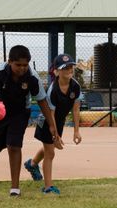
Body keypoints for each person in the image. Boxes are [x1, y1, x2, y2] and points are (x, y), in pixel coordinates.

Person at [0, 45, 47, 197]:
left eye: (25, 65)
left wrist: (52, 124)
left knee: (13, 145)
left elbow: (42, 100)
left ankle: (15, 188)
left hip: (20, 112)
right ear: (9, 61)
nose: (22, 68)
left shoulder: (32, 77)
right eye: (18, 65)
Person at [25, 53, 83, 195]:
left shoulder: (75, 86)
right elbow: (50, 115)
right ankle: (48, 187)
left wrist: (76, 131)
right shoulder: (53, 90)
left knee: (48, 148)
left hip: (59, 121)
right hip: (47, 121)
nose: (69, 70)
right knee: (50, 153)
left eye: (71, 67)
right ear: (56, 71)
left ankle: (32, 164)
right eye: (65, 68)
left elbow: (76, 110)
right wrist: (55, 135)